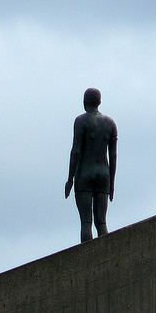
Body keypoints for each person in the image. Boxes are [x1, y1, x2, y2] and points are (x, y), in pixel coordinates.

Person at [65, 88, 118, 243]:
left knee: (86, 222)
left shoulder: (80, 121)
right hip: (104, 174)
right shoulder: (110, 123)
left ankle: (87, 259)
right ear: (99, 102)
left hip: (84, 174)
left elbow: (76, 151)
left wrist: (70, 179)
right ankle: (106, 254)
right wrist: (112, 183)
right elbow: (113, 156)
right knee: (101, 222)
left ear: (84, 102)